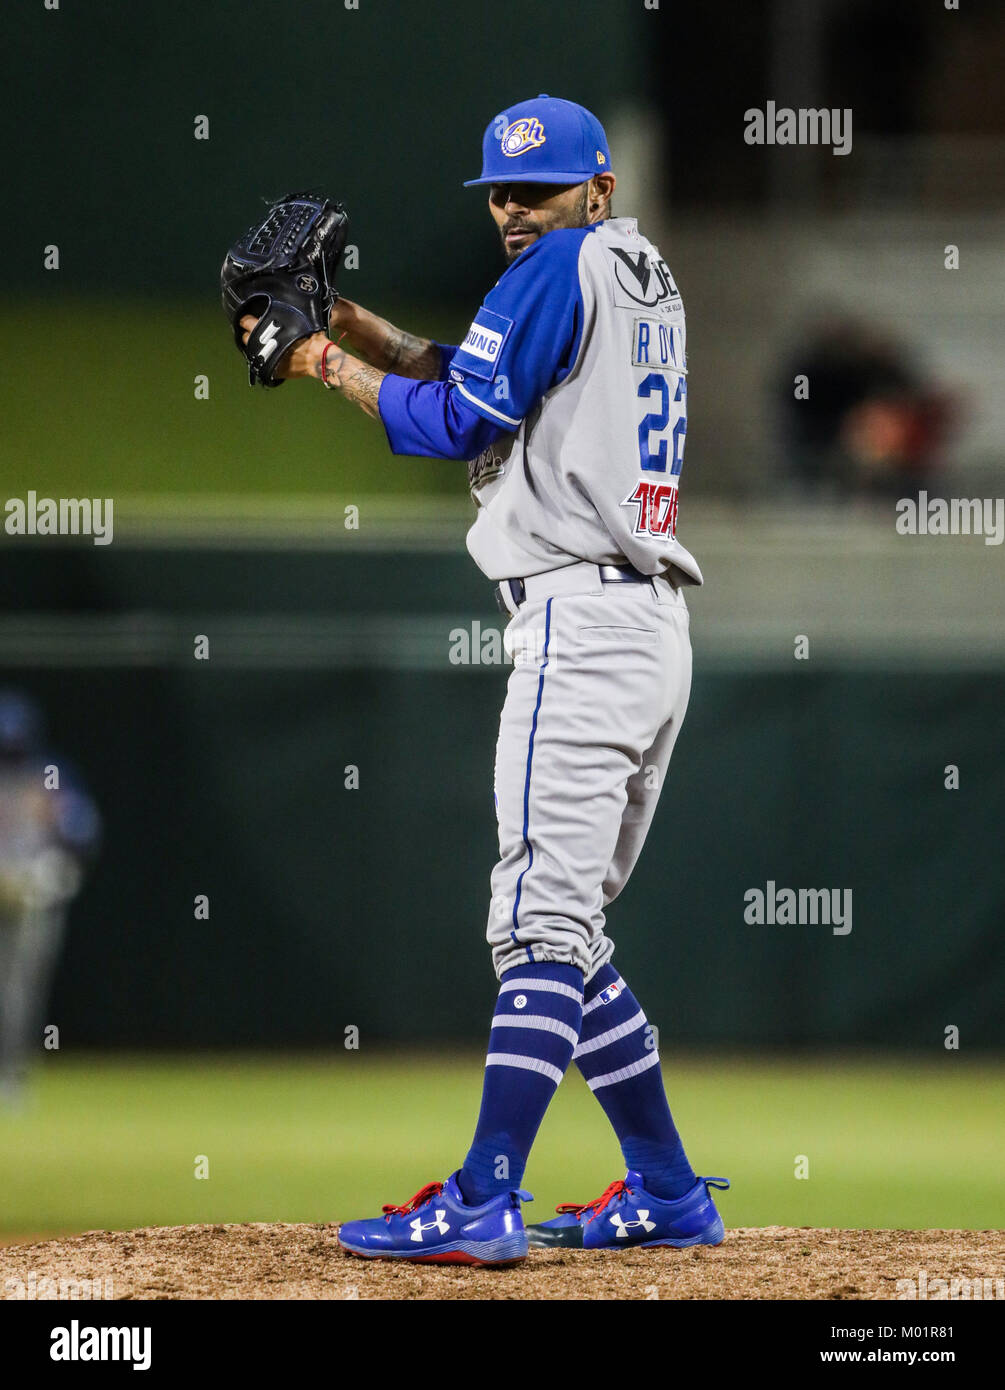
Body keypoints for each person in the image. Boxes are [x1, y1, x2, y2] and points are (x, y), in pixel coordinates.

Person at [241, 94, 728, 1263]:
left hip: (583, 624)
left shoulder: (562, 265)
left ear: (597, 188)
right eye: (502, 192)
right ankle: (665, 1189)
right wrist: (352, 321)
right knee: (576, 937)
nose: (516, 211)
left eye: (541, 188)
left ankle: (484, 1195)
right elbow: (484, 385)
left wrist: (308, 353)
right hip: (649, 629)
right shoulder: (628, 269)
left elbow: (458, 423)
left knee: (535, 926)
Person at [0, 691, 101, 1105]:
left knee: (21, 988)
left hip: (30, 898)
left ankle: (11, 1074)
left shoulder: (50, 776)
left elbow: (80, 831)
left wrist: (54, 873)